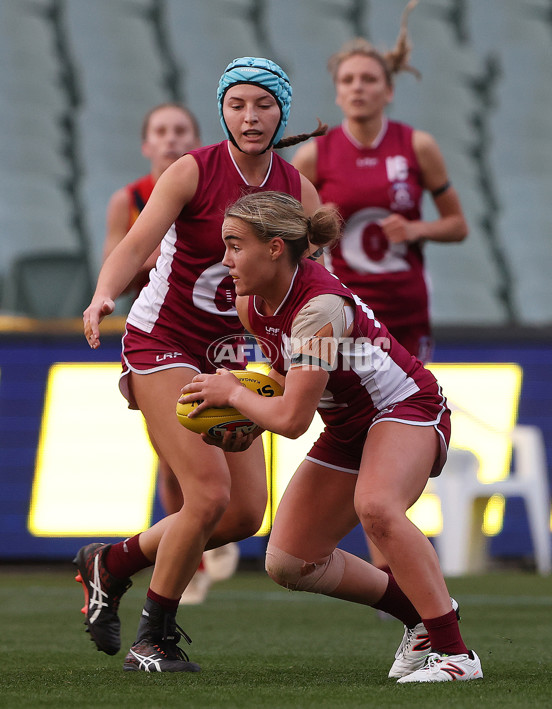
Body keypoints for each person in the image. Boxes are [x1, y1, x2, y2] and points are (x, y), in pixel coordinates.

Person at [76, 57, 324, 673]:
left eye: (263, 103)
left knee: (243, 514)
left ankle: (112, 563)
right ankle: (152, 637)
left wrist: (320, 351)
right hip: (162, 339)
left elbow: (318, 288)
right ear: (223, 109)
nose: (250, 114)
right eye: (237, 103)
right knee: (207, 494)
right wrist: (104, 293)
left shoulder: (299, 191)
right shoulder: (193, 170)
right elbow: (135, 245)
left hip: (231, 354)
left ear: (280, 110)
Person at [179, 190, 482, 683]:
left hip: (405, 409)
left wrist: (235, 394)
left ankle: (458, 655)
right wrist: (248, 418)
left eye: (235, 245)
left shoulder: (320, 307)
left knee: (378, 508)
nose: (225, 258)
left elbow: (295, 420)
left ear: (275, 247)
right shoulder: (251, 302)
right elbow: (284, 381)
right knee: (289, 560)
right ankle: (420, 619)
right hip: (349, 426)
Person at [291, 1, 468, 594]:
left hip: (404, 313)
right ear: (337, 93)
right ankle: (404, 598)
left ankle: (410, 596)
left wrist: (416, 229)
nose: (359, 88)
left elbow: (458, 225)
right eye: (348, 81)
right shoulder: (316, 155)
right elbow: (297, 240)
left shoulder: (416, 146)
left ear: (388, 90)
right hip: (340, 320)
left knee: (389, 447)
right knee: (363, 442)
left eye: (369, 79)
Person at [102, 102, 238, 605]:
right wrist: (149, 262)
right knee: (176, 465)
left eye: (180, 130)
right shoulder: (132, 198)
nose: (170, 138)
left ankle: (154, 552)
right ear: (146, 143)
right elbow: (122, 255)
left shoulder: (215, 183)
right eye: (159, 130)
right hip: (165, 337)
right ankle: (187, 574)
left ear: (196, 137)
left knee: (235, 499)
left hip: (226, 342)